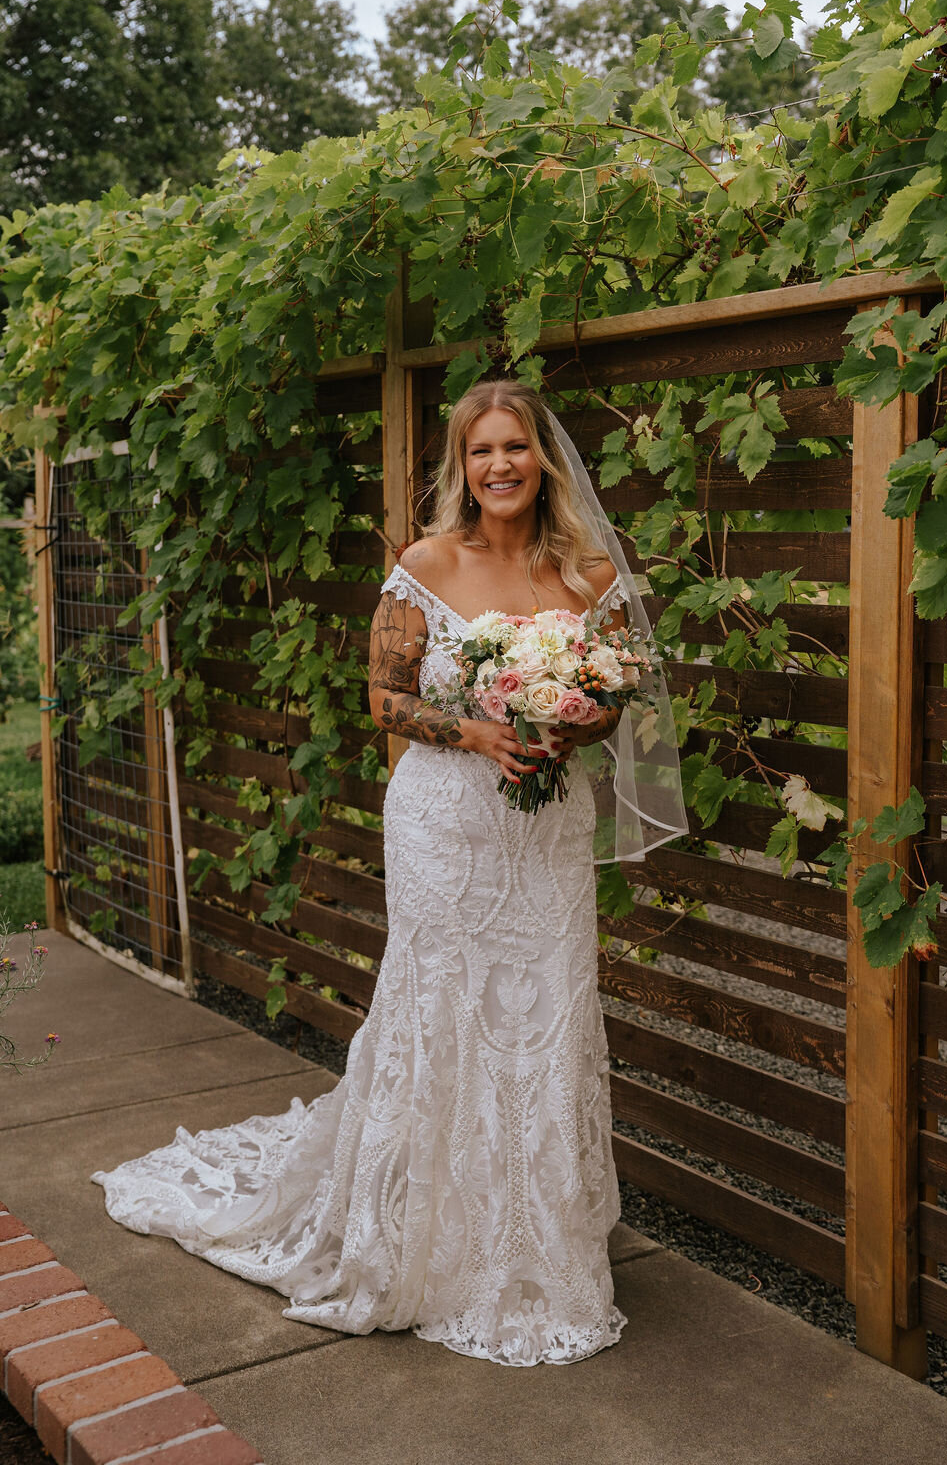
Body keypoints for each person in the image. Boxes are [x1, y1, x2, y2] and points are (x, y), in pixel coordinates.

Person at [92, 379, 685, 1367]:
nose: (499, 466)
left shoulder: (588, 575)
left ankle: (534, 1247)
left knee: (542, 1022)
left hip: (545, 831)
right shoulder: (424, 566)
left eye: (515, 448)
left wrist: (571, 717)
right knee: (441, 1015)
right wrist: (475, 728)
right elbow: (382, 696)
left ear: (543, 459)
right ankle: (421, 1247)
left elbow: (622, 695)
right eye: (480, 451)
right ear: (460, 466)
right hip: (445, 824)